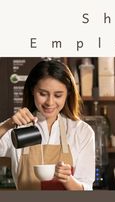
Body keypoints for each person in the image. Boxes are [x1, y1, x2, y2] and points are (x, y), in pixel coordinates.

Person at [0, 60, 95, 190]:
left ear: (68, 94)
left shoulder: (82, 131)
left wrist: (68, 180)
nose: (50, 102)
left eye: (58, 95)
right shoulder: (17, 129)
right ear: (32, 90)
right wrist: (7, 125)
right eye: (43, 94)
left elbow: (87, 188)